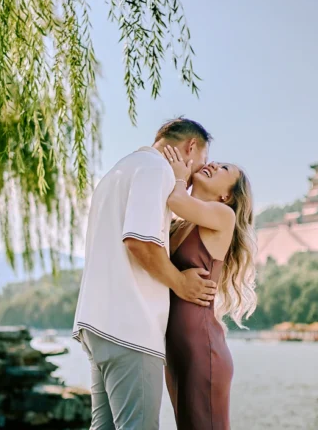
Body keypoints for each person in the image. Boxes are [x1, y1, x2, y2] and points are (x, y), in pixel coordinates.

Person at [72, 118, 216, 429]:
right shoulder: (156, 170)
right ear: (190, 147)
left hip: (98, 325)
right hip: (131, 328)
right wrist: (181, 284)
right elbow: (138, 241)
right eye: (199, 165)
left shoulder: (117, 172)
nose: (192, 180)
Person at [162, 145, 257, 430]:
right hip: (176, 349)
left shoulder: (222, 216)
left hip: (202, 349)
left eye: (224, 169)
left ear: (226, 195)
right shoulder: (179, 226)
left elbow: (176, 200)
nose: (214, 165)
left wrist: (179, 176)